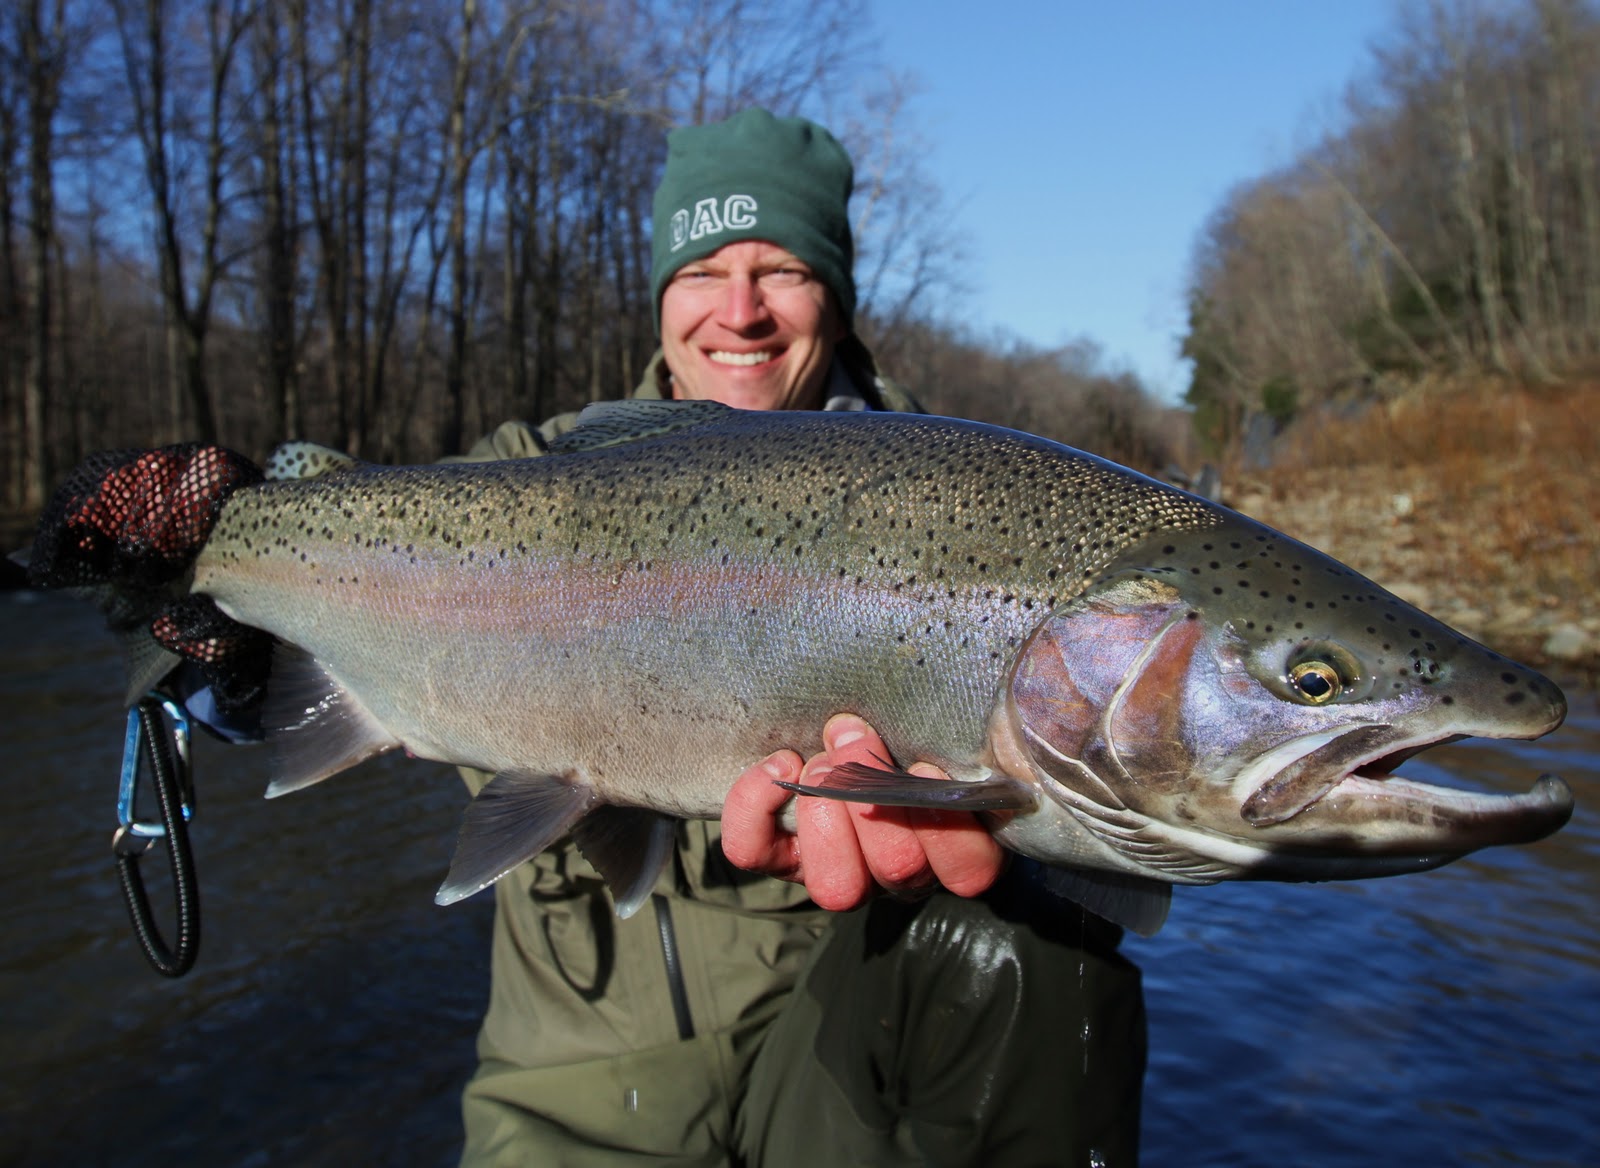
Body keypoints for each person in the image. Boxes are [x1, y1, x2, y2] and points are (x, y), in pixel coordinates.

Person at [451, 108, 1146, 1167]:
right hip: (572, 1115)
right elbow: (274, 657)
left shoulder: (975, 502)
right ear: (658, 297)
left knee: (1039, 940)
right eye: (701, 271)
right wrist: (199, 636)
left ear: (834, 294)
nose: (740, 312)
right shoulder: (520, 478)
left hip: (843, 1079)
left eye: (780, 269)